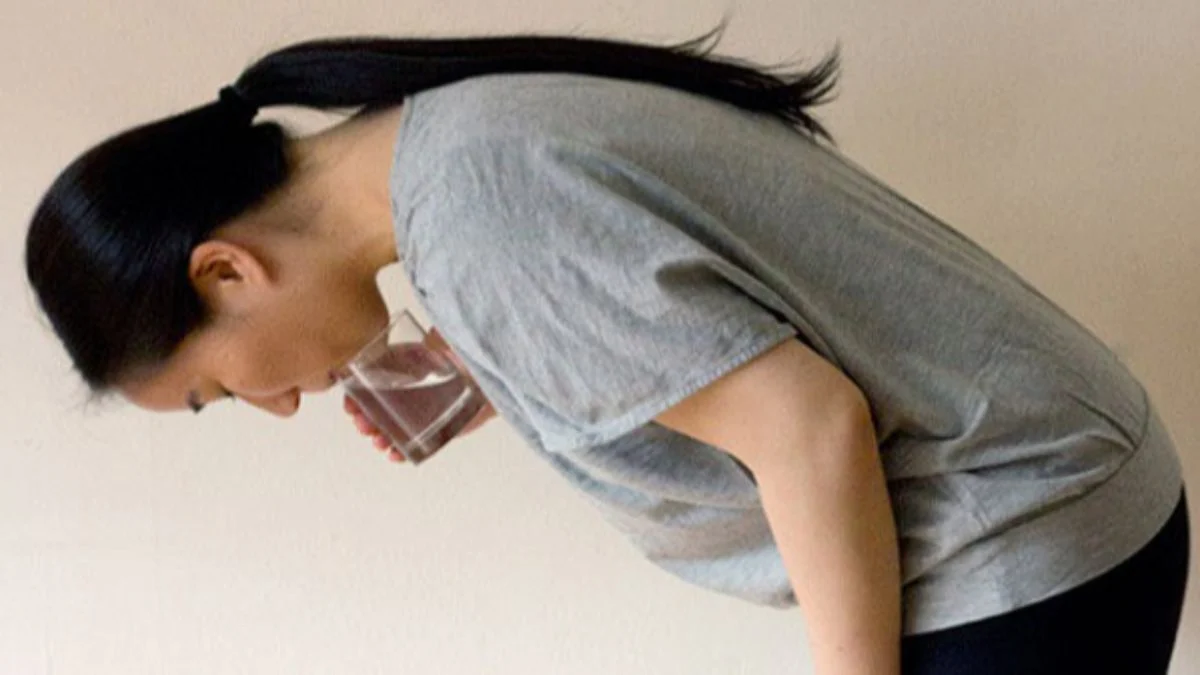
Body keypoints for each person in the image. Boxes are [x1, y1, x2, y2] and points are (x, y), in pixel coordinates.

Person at [24, 30, 1190, 674]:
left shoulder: (479, 225)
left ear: (226, 273)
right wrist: (519, 368)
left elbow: (810, 430)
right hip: (1052, 502)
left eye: (220, 391)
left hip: (1022, 539)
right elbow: (714, 283)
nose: (280, 407)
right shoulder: (455, 138)